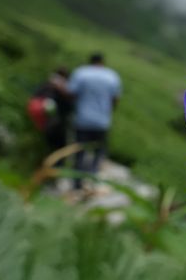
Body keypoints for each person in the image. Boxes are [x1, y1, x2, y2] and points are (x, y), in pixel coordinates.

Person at [67, 53, 121, 189]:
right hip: (102, 122)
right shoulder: (112, 76)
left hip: (82, 120)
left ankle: (77, 184)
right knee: (98, 152)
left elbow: (71, 93)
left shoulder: (81, 73)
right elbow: (115, 100)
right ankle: (92, 181)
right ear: (102, 62)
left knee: (80, 152)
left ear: (90, 61)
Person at [31, 67, 72, 163]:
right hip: (58, 124)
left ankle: (51, 169)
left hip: (47, 123)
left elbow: (34, 99)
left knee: (51, 148)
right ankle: (57, 169)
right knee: (60, 149)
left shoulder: (45, 85)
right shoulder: (64, 88)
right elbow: (69, 105)